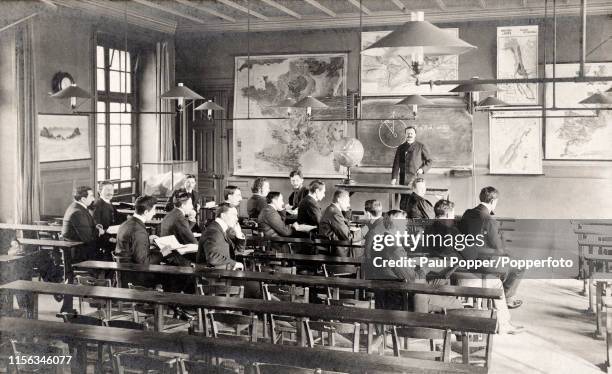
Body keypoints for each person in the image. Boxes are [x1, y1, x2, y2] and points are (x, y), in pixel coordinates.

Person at [458, 186, 524, 310]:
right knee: (519, 264)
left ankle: (504, 296)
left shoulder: (467, 213)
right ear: (493, 201)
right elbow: (499, 249)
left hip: (464, 259)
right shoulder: (489, 220)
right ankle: (506, 298)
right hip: (482, 263)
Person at [60, 186, 105, 313]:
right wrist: (99, 232)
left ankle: (96, 298)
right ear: (83, 198)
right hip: (80, 254)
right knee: (109, 260)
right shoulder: (77, 212)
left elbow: (85, 230)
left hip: (77, 251)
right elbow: (87, 238)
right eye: (91, 196)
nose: (94, 198)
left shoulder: (77, 208)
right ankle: (98, 300)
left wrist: (95, 227)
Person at [363, 210, 416, 310]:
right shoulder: (395, 248)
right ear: (397, 227)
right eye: (404, 224)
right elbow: (411, 278)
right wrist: (423, 269)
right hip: (397, 297)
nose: (406, 228)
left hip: (382, 294)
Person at [391, 126, 433, 212]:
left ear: (415, 134)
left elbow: (430, 161)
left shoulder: (421, 146)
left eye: (411, 133)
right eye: (407, 133)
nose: (409, 135)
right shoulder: (401, 147)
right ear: (405, 135)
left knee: (415, 203)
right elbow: (396, 163)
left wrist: (422, 169)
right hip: (403, 180)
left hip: (416, 179)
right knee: (403, 203)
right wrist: (394, 178)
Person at [197, 203, 245, 270]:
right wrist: (234, 264)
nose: (237, 218)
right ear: (223, 215)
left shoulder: (223, 229)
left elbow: (238, 252)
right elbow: (213, 258)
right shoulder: (213, 231)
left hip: (222, 272)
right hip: (213, 276)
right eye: (234, 215)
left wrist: (239, 235)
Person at [319, 189, 360, 256]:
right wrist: (360, 231)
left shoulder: (330, 208)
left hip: (331, 246)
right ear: (339, 200)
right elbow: (347, 237)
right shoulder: (335, 213)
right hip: (336, 251)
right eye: (347, 202)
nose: (349, 205)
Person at [92, 181, 117, 261]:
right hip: (103, 241)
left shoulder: (108, 202)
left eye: (112, 190)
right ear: (100, 191)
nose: (110, 193)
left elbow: (117, 216)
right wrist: (108, 238)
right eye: (107, 190)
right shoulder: (98, 205)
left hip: (111, 236)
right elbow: (97, 227)